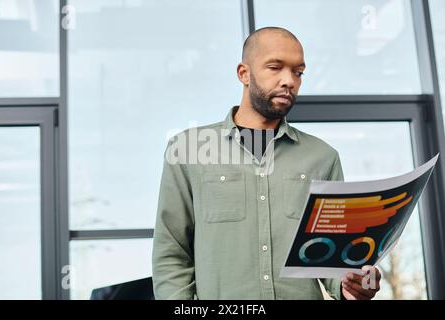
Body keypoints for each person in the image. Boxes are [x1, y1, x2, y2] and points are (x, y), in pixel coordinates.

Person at [152, 26, 381, 300]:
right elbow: (171, 255)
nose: (289, 81)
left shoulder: (323, 158)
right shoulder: (188, 150)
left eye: (298, 72)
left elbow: (330, 261)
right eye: (275, 67)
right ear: (244, 73)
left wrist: (353, 285)